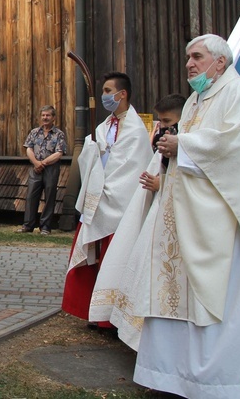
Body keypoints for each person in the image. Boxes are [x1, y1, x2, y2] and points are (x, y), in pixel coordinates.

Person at [132, 34, 240, 398]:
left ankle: (221, 382)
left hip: (223, 227)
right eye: (188, 58)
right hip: (184, 220)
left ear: (220, 62)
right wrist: (170, 152)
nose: (189, 64)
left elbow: (239, 152)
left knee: (220, 306)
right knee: (177, 301)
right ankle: (177, 378)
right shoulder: (194, 101)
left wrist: (183, 145)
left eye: (197, 57)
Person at [87, 93, 186, 350]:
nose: (163, 128)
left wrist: (162, 183)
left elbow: (201, 180)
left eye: (167, 122)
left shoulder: (186, 140)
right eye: (161, 122)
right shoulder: (164, 139)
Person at [61, 72, 152, 327]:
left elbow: (132, 168)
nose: (104, 96)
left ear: (122, 94)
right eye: (102, 91)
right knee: (96, 258)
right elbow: (92, 160)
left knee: (115, 260)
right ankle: (92, 311)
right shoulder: (103, 127)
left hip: (120, 203)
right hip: (98, 199)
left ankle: (111, 318)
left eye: (109, 91)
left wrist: (109, 187)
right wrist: (91, 151)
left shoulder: (135, 130)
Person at [18, 105, 67, 235]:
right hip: (35, 168)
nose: (45, 118)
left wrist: (43, 163)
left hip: (51, 168)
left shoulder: (59, 134)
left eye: (48, 115)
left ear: (53, 118)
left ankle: (45, 227)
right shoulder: (34, 132)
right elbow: (28, 148)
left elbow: (59, 153)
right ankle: (28, 225)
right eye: (43, 115)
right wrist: (35, 163)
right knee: (31, 196)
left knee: (50, 196)